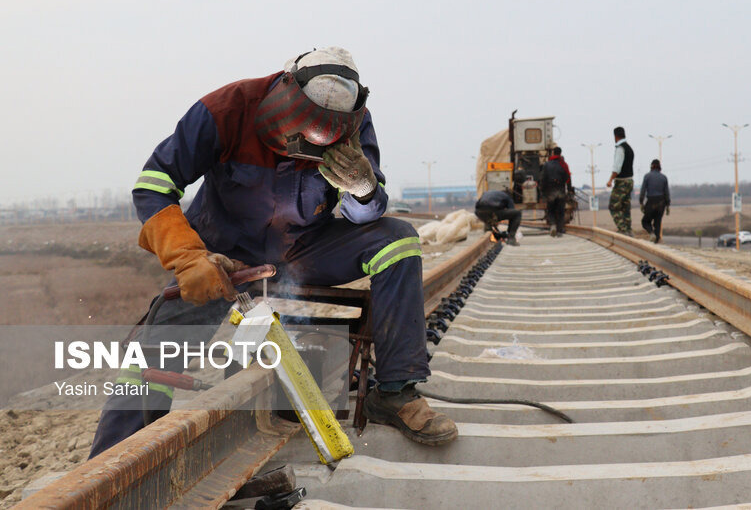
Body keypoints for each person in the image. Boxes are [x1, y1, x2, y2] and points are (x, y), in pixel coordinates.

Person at [89, 47, 457, 457]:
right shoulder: (227, 109)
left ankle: (394, 391)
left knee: (398, 240)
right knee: (155, 351)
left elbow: (364, 216)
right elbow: (154, 184)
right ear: (286, 91)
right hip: (222, 260)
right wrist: (188, 256)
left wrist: (365, 188)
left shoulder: (355, 125)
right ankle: (112, 461)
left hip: (305, 251)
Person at [605, 126, 635, 235]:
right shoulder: (629, 148)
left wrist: (610, 180)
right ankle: (628, 229)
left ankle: (623, 229)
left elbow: (616, 168)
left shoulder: (620, 149)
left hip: (621, 182)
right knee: (625, 207)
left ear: (615, 136)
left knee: (613, 206)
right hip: (630, 181)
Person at [540, 147, 571, 236]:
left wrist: (542, 191)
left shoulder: (546, 165)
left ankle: (553, 225)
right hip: (560, 190)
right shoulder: (564, 164)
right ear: (560, 153)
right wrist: (569, 190)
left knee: (551, 210)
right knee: (560, 210)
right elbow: (568, 178)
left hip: (550, 191)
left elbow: (543, 179)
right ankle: (560, 229)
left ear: (553, 153)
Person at [639, 159, 671, 243]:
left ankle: (651, 233)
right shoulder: (664, 177)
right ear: (660, 167)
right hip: (661, 203)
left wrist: (641, 203)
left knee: (645, 221)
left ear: (651, 166)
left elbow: (642, 191)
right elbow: (667, 193)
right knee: (657, 222)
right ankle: (657, 240)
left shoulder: (647, 176)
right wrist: (668, 205)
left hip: (651, 201)